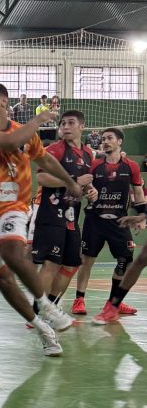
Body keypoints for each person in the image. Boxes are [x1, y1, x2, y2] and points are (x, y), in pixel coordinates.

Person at [0, 83, 82, 356]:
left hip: (13, 206)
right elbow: (8, 142)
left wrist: (69, 182)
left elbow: (45, 161)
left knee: (11, 249)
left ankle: (46, 306)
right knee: (3, 279)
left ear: (4, 101)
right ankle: (42, 329)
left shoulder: (26, 132)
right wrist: (39, 120)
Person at [73, 128, 144, 318]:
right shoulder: (95, 165)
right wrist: (88, 191)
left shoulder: (131, 166)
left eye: (109, 138)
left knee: (125, 261)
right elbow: (84, 186)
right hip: (95, 221)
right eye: (103, 139)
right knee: (87, 260)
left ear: (119, 142)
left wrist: (142, 216)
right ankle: (79, 299)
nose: (105, 141)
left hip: (120, 222)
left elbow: (138, 192)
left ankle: (114, 302)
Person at [31, 111, 97, 314]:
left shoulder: (88, 154)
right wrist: (74, 182)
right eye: (63, 124)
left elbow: (83, 182)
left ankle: (50, 306)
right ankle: (35, 312)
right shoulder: (55, 149)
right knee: (51, 263)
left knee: (71, 265)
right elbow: (42, 178)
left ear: (82, 126)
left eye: (70, 123)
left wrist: (90, 191)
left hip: (71, 216)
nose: (65, 127)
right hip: (51, 214)